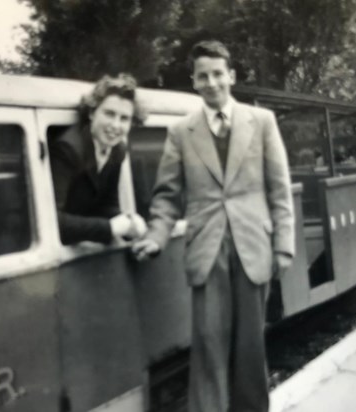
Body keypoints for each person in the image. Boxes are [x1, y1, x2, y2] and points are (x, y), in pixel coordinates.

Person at [132, 40, 295, 412]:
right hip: (208, 252)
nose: (211, 82)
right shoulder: (181, 132)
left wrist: (283, 245)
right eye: (203, 76)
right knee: (209, 347)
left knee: (250, 349)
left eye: (218, 73)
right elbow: (166, 196)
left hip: (253, 249)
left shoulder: (262, 122)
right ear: (194, 81)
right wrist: (157, 236)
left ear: (231, 76)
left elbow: (279, 189)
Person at [50, 74, 147, 245]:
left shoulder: (117, 151)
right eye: (109, 114)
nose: (115, 126)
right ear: (92, 112)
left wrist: (129, 221)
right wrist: (110, 228)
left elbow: (106, 204)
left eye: (124, 118)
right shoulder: (68, 149)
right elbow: (51, 220)